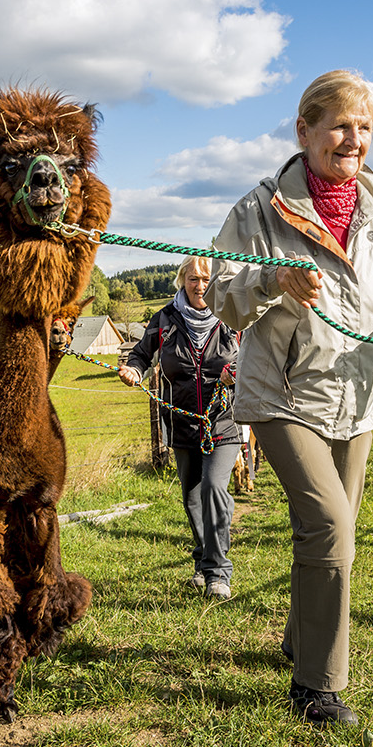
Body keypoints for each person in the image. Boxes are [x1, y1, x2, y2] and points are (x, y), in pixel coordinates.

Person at [205, 69, 373, 727]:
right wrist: (271, 279)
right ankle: (316, 688)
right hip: (283, 394)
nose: (354, 140)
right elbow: (221, 295)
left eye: (365, 129)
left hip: (358, 397)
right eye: (340, 127)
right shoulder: (259, 208)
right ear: (305, 130)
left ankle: (301, 638)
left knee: (336, 530)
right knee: (329, 525)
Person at [119, 256, 242, 599]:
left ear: (215, 282)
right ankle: (204, 560)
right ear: (182, 281)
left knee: (213, 490)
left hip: (223, 420)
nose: (200, 286)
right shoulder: (166, 320)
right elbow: (142, 354)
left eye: (206, 279)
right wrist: (134, 369)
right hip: (182, 422)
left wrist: (238, 374)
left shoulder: (233, 316)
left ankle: (219, 572)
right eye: (193, 279)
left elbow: (254, 357)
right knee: (192, 499)